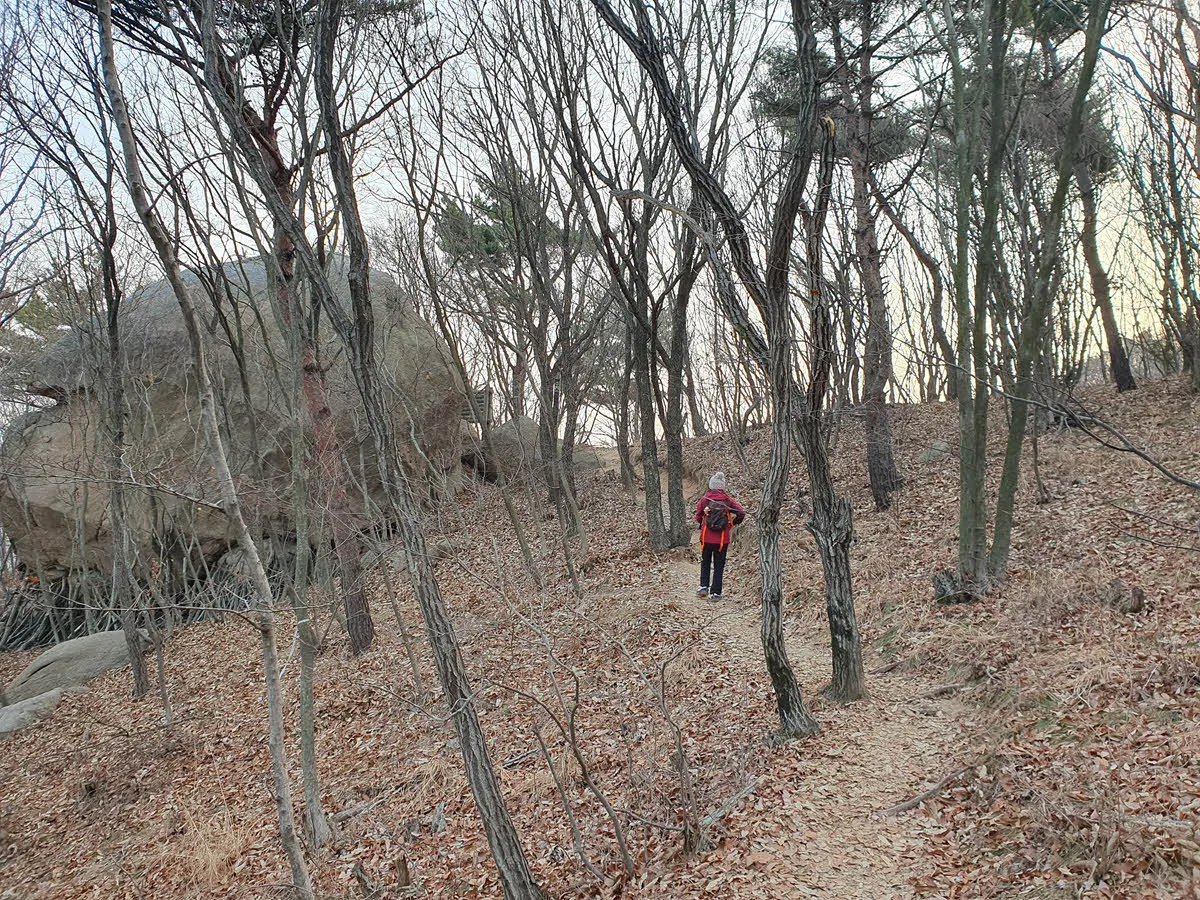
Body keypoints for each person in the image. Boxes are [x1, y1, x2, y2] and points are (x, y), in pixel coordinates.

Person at [695, 471, 746, 600]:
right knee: (719, 565)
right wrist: (732, 523)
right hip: (722, 540)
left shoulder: (705, 500)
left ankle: (703, 587)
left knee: (705, 561)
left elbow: (698, 517)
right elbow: (741, 512)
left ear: (711, 485)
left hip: (706, 538)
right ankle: (716, 593)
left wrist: (703, 522)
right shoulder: (727, 501)